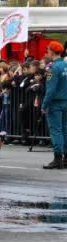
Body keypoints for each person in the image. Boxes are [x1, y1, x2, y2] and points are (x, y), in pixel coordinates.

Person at [41, 41, 67, 169]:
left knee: (56, 131)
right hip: (66, 101)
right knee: (65, 130)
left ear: (52, 51)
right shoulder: (65, 65)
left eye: (48, 50)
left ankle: (58, 159)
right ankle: (66, 159)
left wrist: (44, 105)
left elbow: (51, 90)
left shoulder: (53, 67)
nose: (47, 52)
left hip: (55, 103)